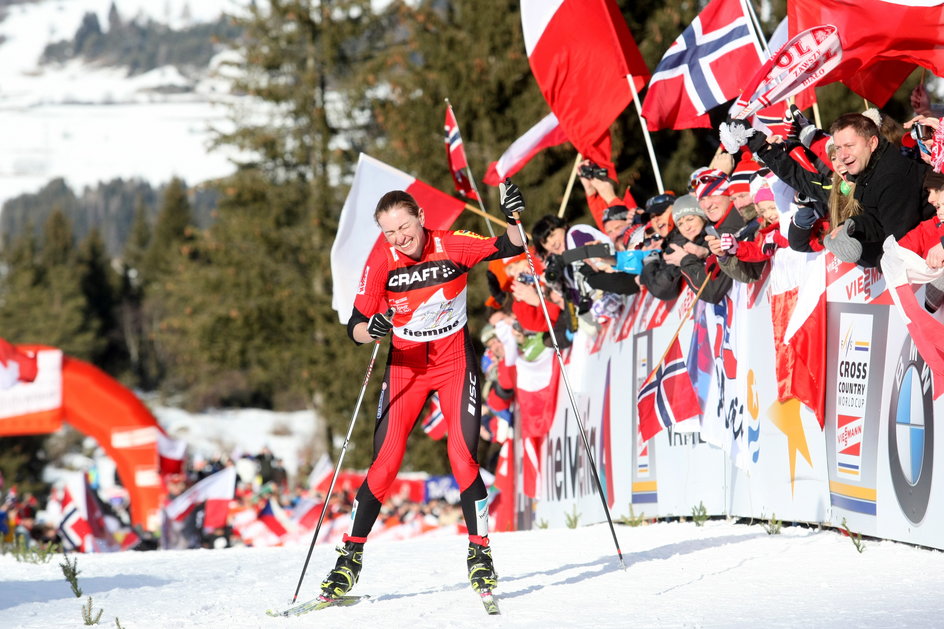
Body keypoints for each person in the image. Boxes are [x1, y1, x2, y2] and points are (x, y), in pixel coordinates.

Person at [321, 181, 526, 600]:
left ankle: (480, 554)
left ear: (420, 218)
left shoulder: (451, 245)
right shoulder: (380, 260)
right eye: (389, 232)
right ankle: (349, 559)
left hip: (453, 365)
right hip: (406, 369)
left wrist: (513, 217)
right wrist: (371, 329)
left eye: (404, 227)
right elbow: (354, 326)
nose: (399, 238)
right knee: (385, 463)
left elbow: (509, 246)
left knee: (462, 458)